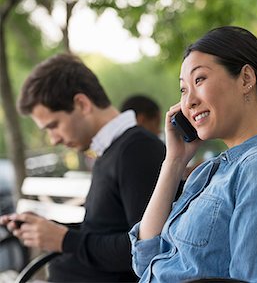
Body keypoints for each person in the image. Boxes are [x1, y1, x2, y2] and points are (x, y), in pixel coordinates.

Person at [129, 26, 257, 282]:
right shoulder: (212, 170)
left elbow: (253, 279)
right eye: (183, 89)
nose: (188, 101)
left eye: (199, 79)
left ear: (246, 79)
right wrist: (174, 161)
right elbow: (144, 260)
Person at [0, 53, 166, 282]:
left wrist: (65, 239)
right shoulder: (112, 151)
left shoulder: (137, 150)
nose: (53, 139)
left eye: (54, 125)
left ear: (82, 103)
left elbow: (148, 249)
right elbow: (106, 231)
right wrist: (50, 230)